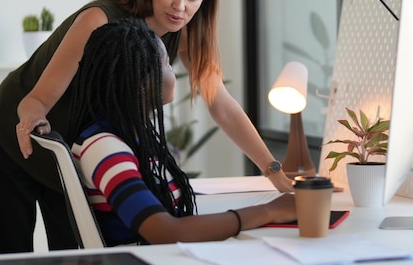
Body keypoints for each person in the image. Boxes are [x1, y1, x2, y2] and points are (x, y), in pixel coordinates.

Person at [0, 0, 294, 256]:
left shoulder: (185, 34)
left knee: (73, 260)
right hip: (16, 137)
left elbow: (221, 104)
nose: (180, 6)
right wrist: (31, 116)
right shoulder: (100, 21)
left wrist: (275, 173)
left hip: (73, 155)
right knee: (4, 259)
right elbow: (37, 99)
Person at [68, 20, 296, 245]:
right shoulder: (104, 147)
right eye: (167, 64)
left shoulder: (133, 136)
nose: (174, 73)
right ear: (144, 81)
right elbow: (164, 231)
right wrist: (269, 212)